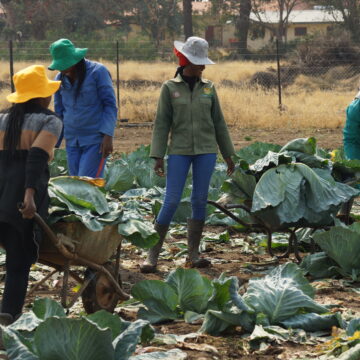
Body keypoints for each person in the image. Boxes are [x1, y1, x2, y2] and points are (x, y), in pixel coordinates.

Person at [140, 37, 235, 273]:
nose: (203, 67)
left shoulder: (209, 88)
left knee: (199, 201)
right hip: (179, 151)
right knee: (171, 201)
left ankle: (193, 255)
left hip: (206, 151)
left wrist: (228, 154)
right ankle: (152, 255)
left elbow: (219, 123)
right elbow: (162, 124)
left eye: (203, 62)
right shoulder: (169, 88)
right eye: (198, 62)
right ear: (186, 61)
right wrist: (158, 155)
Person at [0, 65, 62, 325]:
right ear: (42, 96)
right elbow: (36, 159)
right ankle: (7, 317)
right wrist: (30, 195)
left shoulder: (2, 118)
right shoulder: (50, 121)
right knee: (18, 259)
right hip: (18, 197)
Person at [48, 38, 117, 178]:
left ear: (74, 60)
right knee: (75, 185)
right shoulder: (59, 79)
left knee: (87, 184)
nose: (61, 69)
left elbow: (109, 105)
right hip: (72, 140)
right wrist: (53, 143)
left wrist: (108, 135)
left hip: (95, 140)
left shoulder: (98, 72)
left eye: (64, 64)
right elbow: (59, 112)